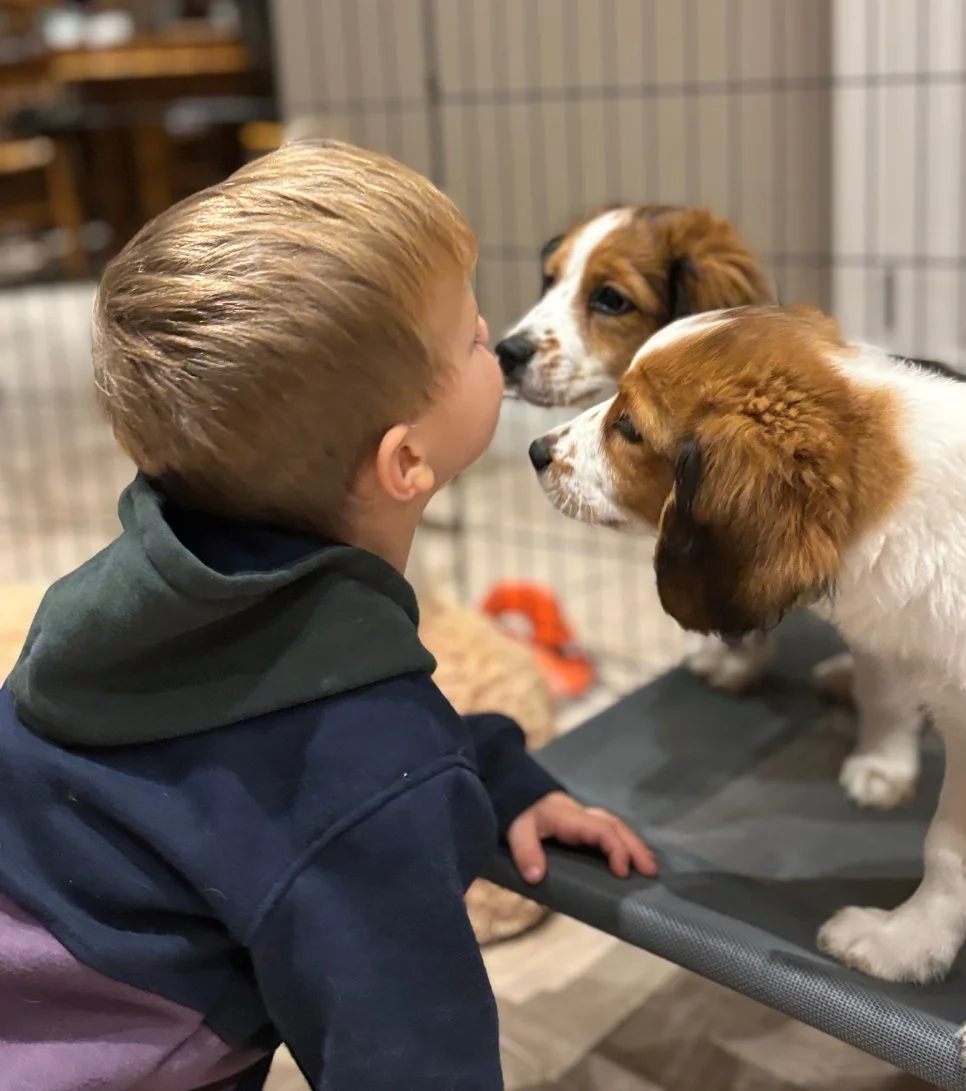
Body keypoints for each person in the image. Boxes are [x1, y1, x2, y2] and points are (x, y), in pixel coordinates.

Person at [0, 140, 657, 1091]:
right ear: (405, 463)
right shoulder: (363, 775)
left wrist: (492, 771)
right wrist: (416, 779)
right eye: (470, 336)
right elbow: (409, 1054)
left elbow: (228, 768)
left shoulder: (117, 609)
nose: (492, 328)